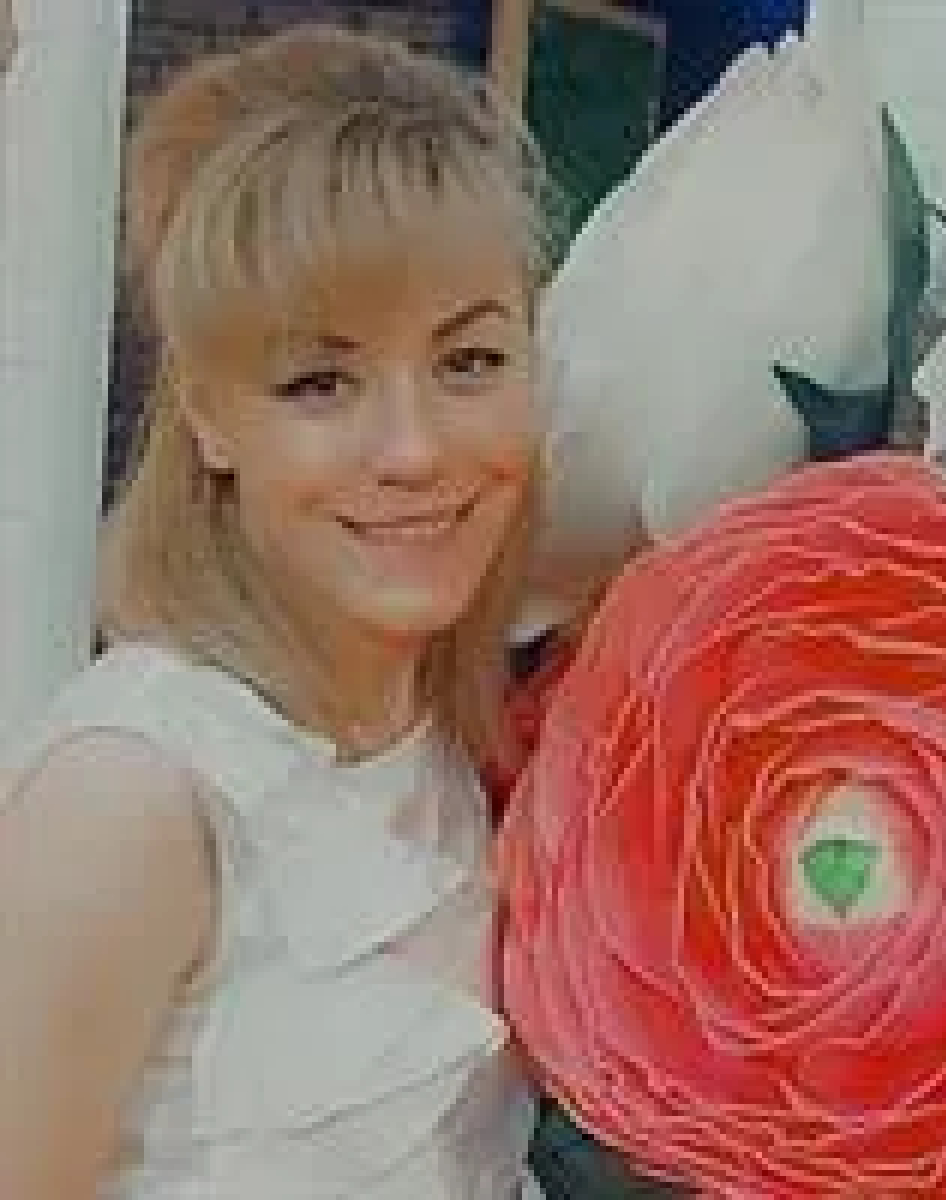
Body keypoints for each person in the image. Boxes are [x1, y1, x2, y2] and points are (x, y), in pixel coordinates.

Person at [0, 23, 553, 1198]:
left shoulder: (460, 740)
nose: (413, 450)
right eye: (321, 383)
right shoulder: (131, 803)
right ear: (208, 417)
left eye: (468, 362)